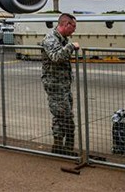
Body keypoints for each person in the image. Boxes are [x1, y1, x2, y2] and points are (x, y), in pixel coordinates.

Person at [40, 13, 79, 155]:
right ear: (65, 24)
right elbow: (56, 57)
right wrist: (70, 47)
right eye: (73, 26)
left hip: (63, 84)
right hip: (55, 85)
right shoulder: (51, 38)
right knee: (66, 116)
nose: (74, 30)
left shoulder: (62, 39)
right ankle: (67, 148)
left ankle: (58, 147)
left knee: (59, 116)